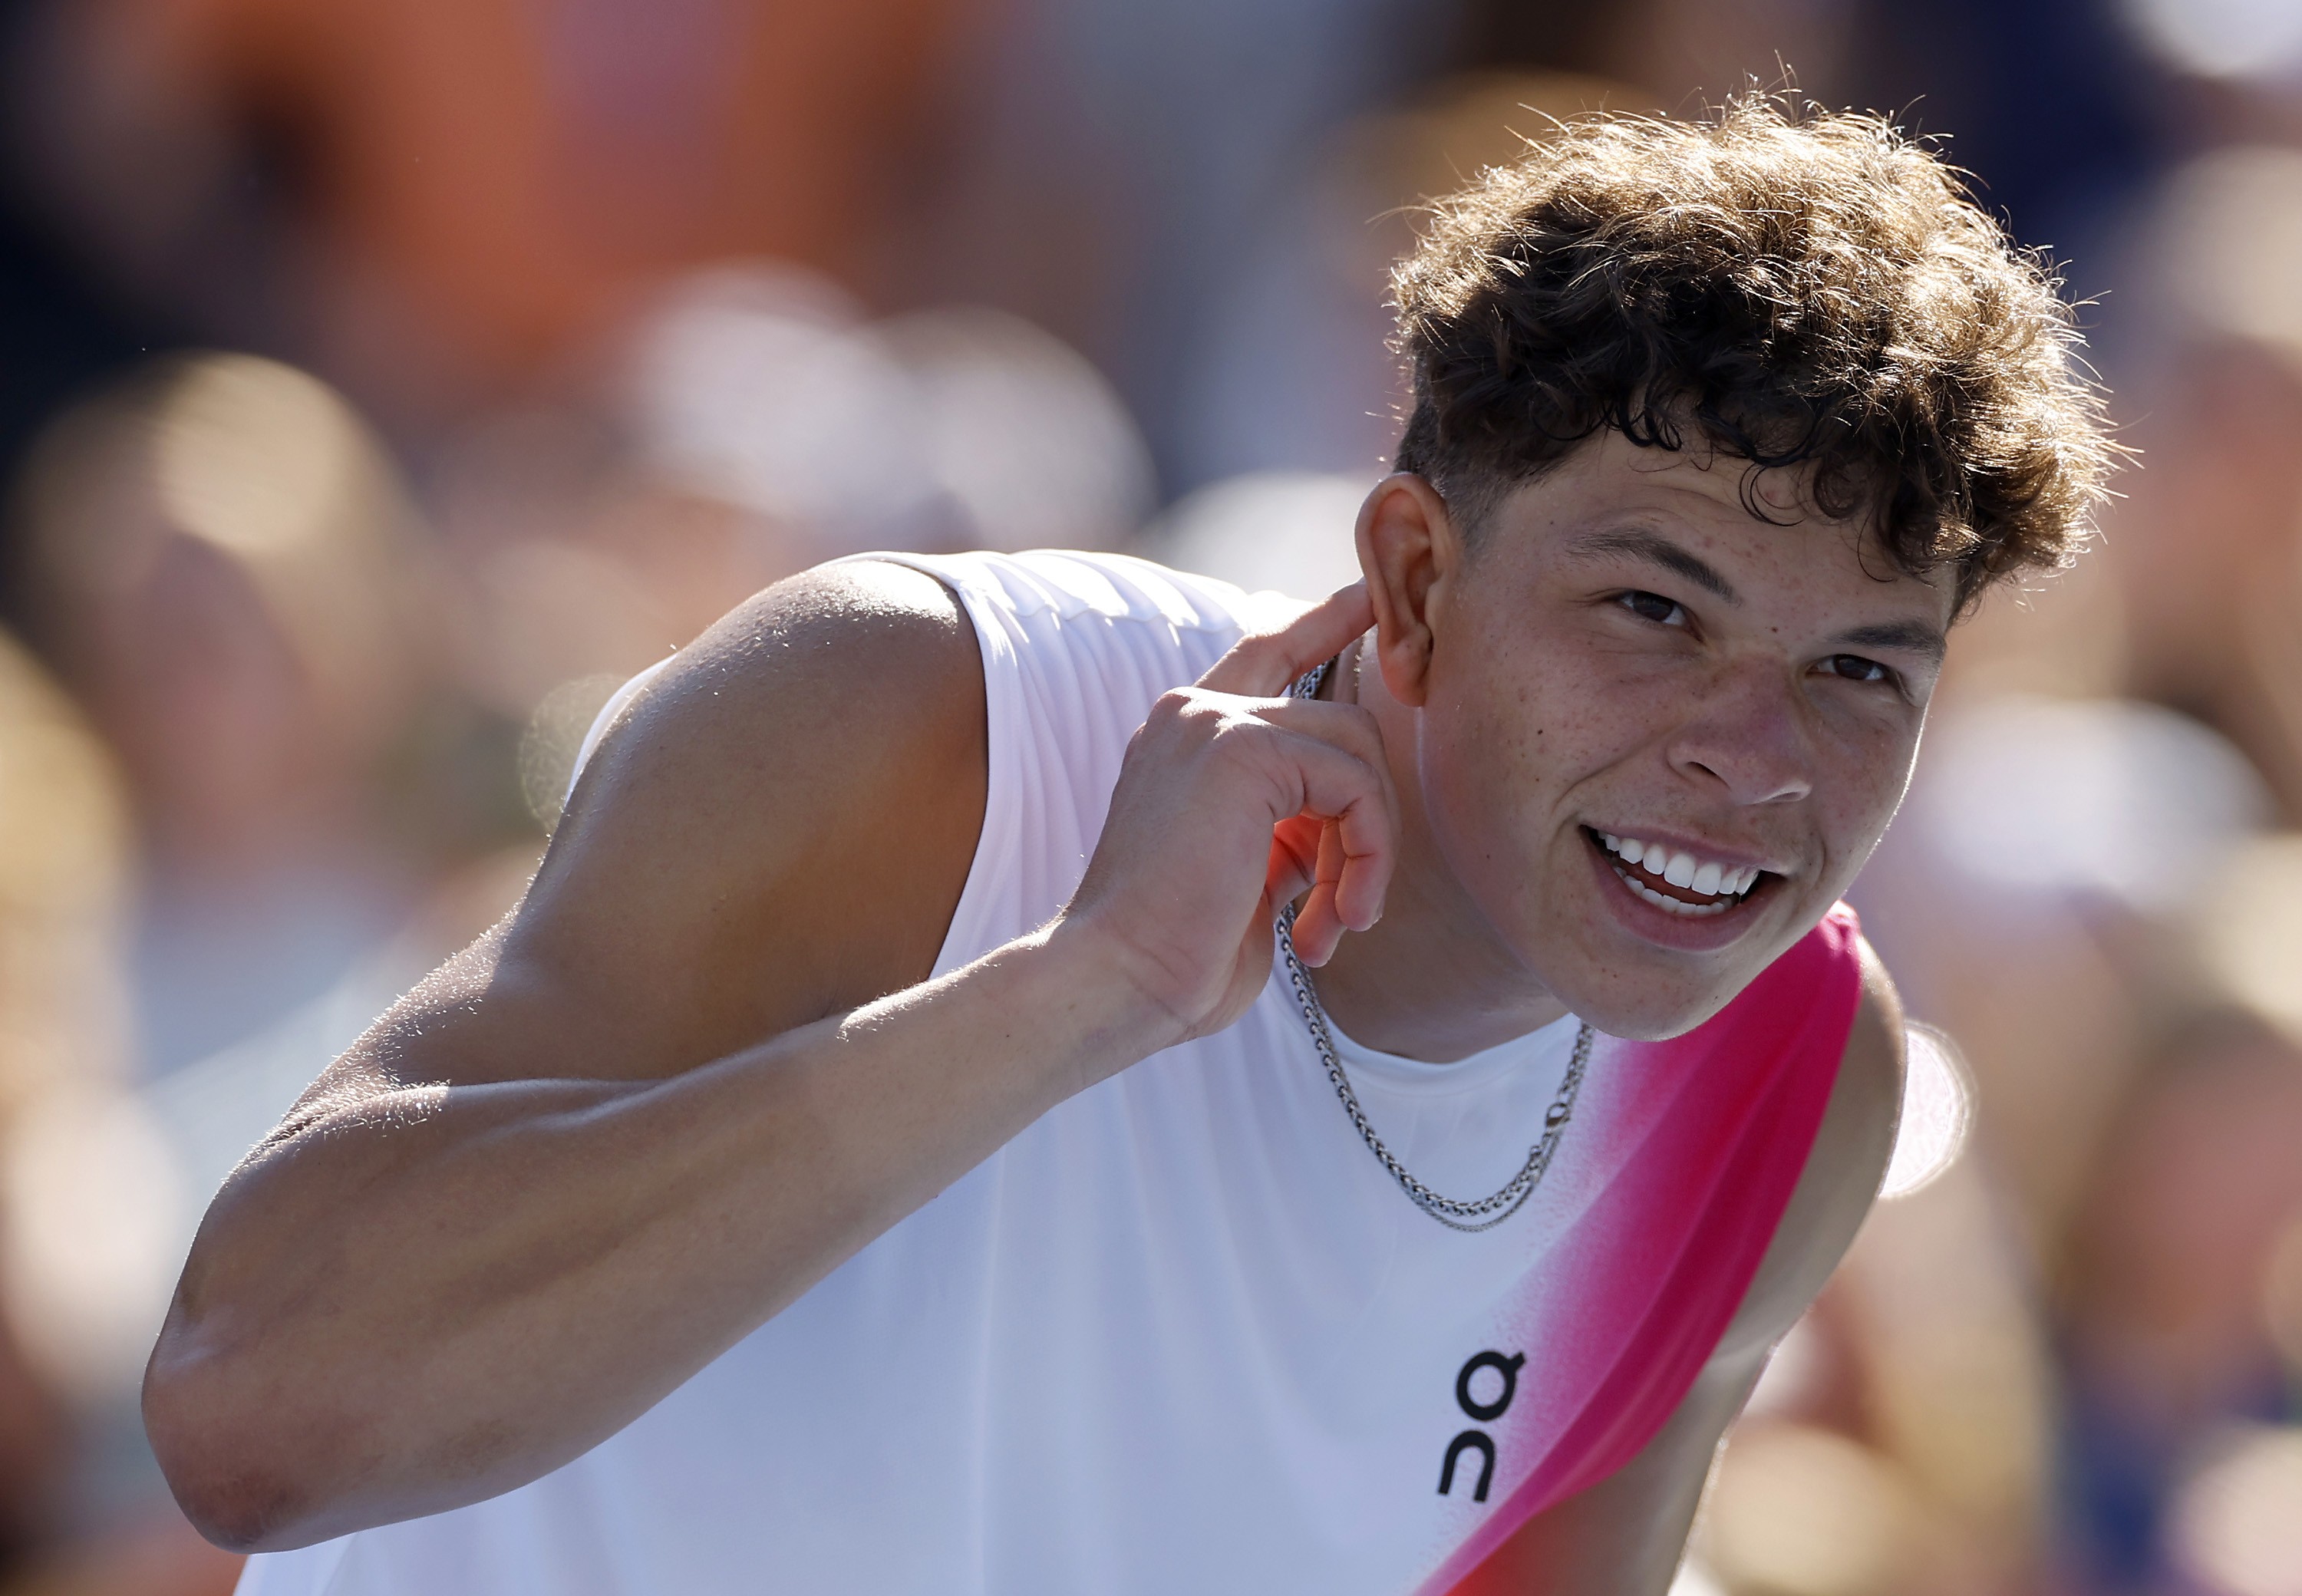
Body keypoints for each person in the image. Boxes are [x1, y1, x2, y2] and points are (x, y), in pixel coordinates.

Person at [144, 99, 2112, 1594]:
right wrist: (1077, 992)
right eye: (1655, 611)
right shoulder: (921, 707)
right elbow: (251, 1411)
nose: (1753, 762)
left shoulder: (1793, 1081)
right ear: (1414, 578)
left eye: (1862, 669)